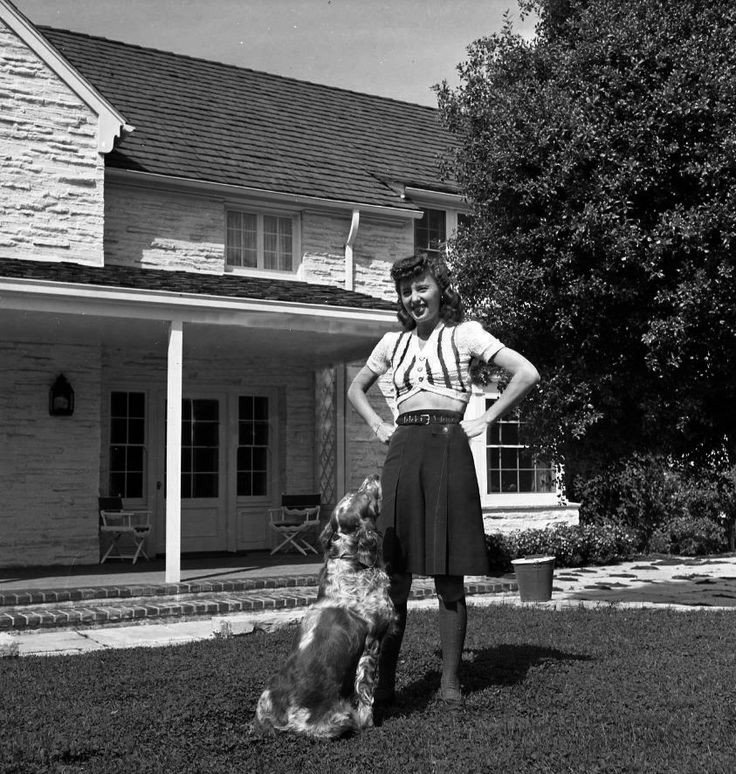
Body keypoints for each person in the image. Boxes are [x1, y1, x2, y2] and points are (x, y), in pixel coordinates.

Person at [347, 251, 540, 708]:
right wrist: (379, 427)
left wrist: (487, 418)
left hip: (448, 448)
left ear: (441, 290)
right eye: (406, 291)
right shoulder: (390, 345)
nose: (414, 298)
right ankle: (387, 682)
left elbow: (526, 372)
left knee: (449, 576)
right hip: (403, 452)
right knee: (394, 576)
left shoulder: (465, 334)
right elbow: (356, 388)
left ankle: (450, 683)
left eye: (422, 287)